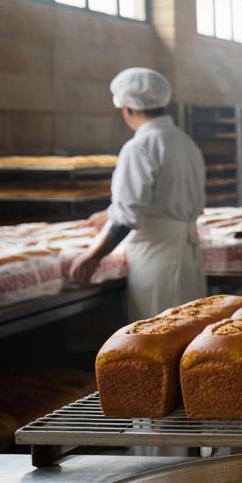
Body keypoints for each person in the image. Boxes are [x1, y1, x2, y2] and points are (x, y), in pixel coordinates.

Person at [69, 68, 207, 321]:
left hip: (157, 259)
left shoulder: (140, 146)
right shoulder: (185, 142)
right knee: (189, 335)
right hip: (188, 255)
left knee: (157, 341)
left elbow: (127, 218)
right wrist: (110, 213)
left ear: (127, 109)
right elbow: (163, 198)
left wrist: (93, 256)